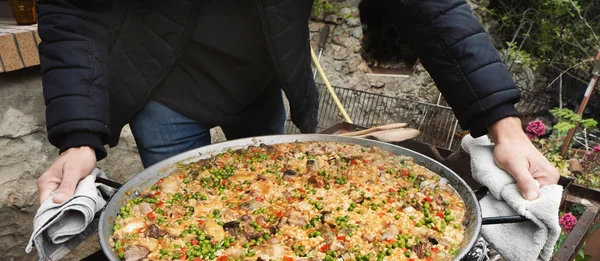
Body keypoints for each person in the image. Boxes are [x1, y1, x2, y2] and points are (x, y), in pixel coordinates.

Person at [36, 0, 559, 205]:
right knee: (182, 206)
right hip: (163, 92)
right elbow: (74, 12)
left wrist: (503, 127)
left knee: (277, 201)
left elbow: (433, 9)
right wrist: (81, 137)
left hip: (261, 84)